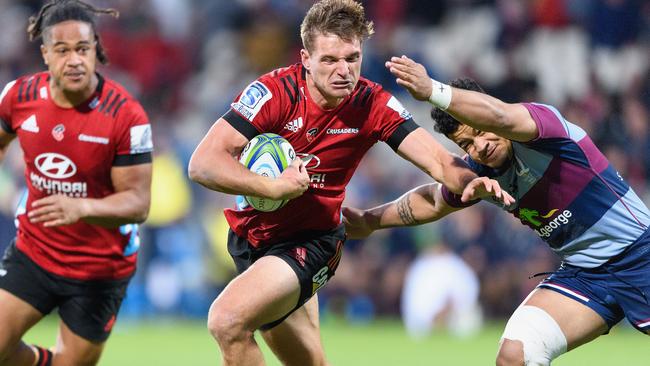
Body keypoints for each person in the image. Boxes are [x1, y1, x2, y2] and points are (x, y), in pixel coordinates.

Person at [188, 1, 513, 364]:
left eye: (352, 58)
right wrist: (273, 187)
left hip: (312, 242)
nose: (343, 70)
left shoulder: (372, 103)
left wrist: (475, 179)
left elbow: (439, 161)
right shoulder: (274, 92)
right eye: (329, 60)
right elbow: (203, 164)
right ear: (305, 58)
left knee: (227, 321)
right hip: (253, 239)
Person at [343, 55, 650, 365]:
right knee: (514, 356)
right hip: (585, 276)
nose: (480, 146)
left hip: (640, 254)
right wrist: (371, 221)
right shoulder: (480, 174)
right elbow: (432, 201)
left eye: (480, 131)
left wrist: (433, 89)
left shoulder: (542, 127)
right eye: (467, 144)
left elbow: (502, 117)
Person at [0, 1, 153, 365]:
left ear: (96, 50)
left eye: (83, 49)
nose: (74, 60)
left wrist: (82, 207)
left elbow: (138, 204)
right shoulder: (17, 97)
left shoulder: (125, 115)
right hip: (35, 251)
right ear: (45, 55)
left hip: (100, 268)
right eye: (62, 50)